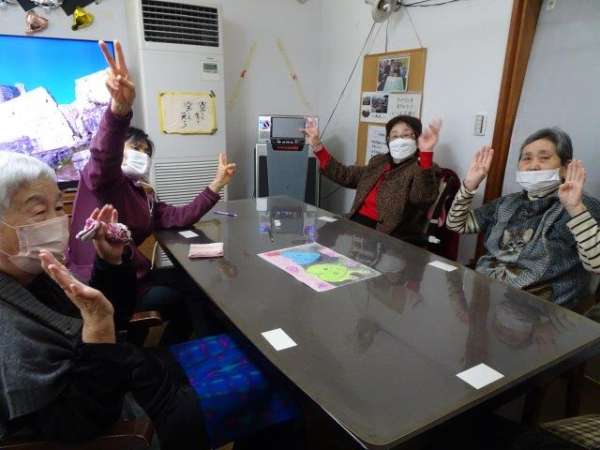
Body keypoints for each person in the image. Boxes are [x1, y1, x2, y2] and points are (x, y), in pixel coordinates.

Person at [0, 153, 301, 450]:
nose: (56, 221)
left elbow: (114, 319)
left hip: (139, 370)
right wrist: (98, 330)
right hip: (141, 414)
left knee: (264, 356)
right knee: (285, 384)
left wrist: (111, 263)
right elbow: (80, 422)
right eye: (39, 212)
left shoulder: (36, 275)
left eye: (57, 208)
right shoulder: (9, 328)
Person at [67, 40, 237, 342]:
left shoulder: (142, 192)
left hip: (136, 278)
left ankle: (184, 349)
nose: (141, 155)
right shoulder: (101, 180)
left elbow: (177, 217)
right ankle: (195, 350)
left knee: (196, 284)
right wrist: (119, 110)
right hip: (107, 287)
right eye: (135, 148)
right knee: (191, 297)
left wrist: (216, 184)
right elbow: (104, 157)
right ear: (120, 149)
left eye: (146, 152)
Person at [446, 128, 600, 308]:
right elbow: (456, 224)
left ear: (565, 168)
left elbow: (597, 265)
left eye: (544, 158)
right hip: (487, 293)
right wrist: (469, 185)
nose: (533, 165)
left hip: (541, 309)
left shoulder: (582, 206)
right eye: (526, 158)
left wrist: (575, 208)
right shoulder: (508, 203)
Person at [303, 115, 442, 243]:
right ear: (388, 140)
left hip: (388, 237)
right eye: (394, 136)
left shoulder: (424, 168)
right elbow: (346, 175)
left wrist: (426, 153)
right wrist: (317, 145)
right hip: (355, 225)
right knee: (313, 240)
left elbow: (422, 198)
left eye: (406, 135)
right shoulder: (379, 162)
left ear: (417, 139)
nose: (400, 140)